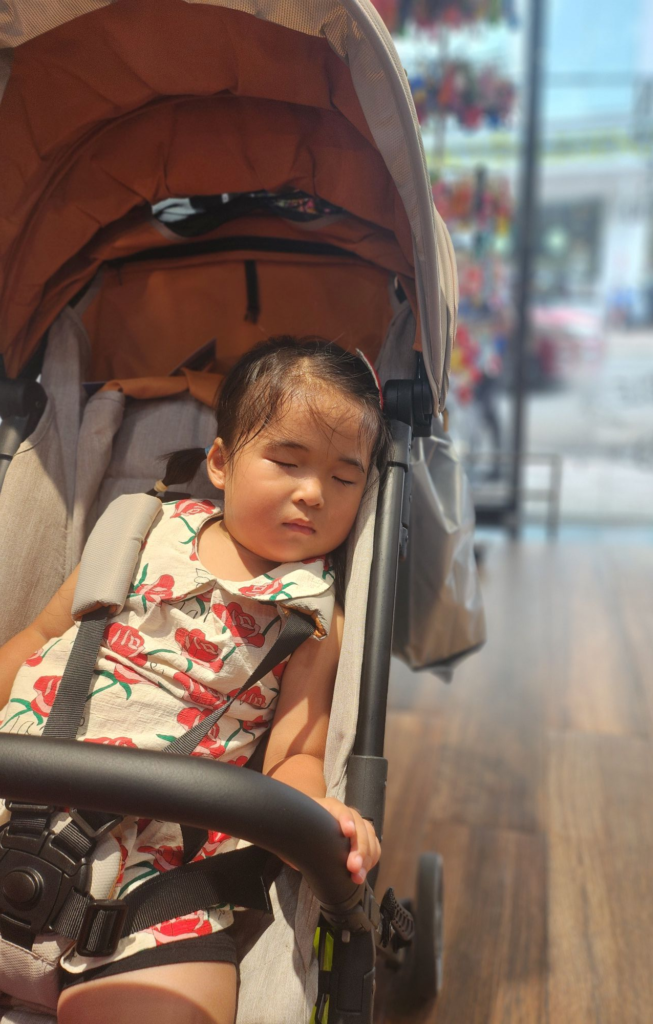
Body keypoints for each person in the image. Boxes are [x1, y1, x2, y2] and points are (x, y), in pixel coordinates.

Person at [0, 336, 389, 1024]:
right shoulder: (137, 529)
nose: (312, 493)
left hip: (149, 883)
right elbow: (36, 641)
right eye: (287, 462)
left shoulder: (308, 615)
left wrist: (321, 810)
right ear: (219, 463)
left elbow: (295, 753)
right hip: (18, 792)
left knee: (179, 1004)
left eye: (344, 478)